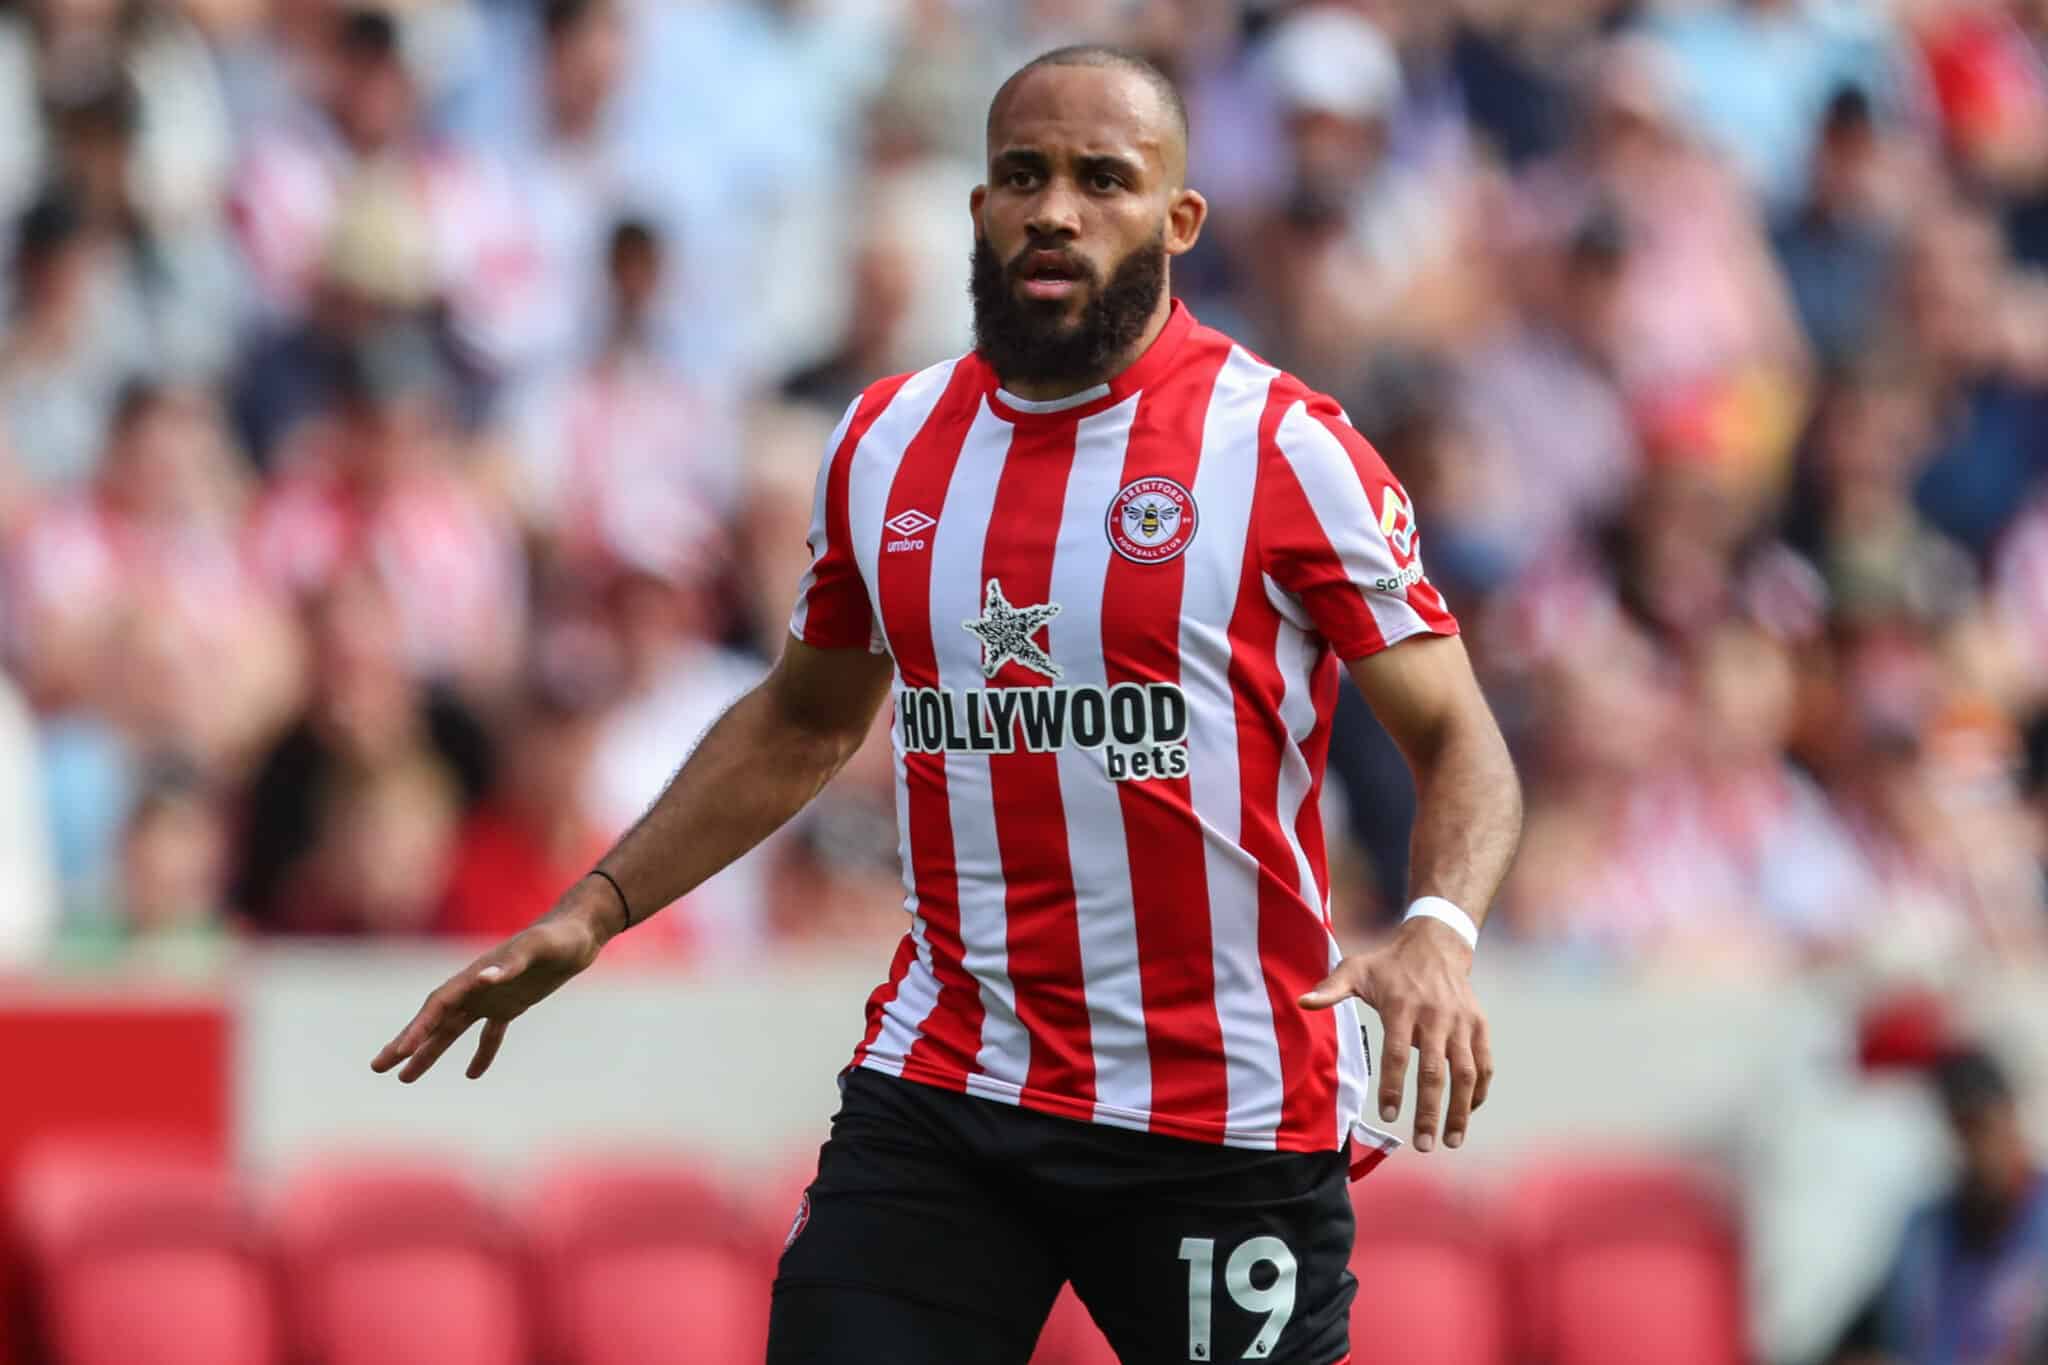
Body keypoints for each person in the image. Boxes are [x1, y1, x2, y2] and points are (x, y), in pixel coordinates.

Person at [371, 46, 1523, 1365]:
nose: (1056, 209)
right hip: (953, 1085)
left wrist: (1439, 929)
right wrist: (593, 910)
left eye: (1105, 179)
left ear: (1179, 221)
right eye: (1023, 176)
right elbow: (801, 722)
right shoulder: (886, 443)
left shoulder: (1284, 451)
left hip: (1221, 1112)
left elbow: (1460, 742)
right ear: (977, 208)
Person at [1830, 1046, 2048, 1365]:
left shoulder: (2038, 1226)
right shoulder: (1926, 1233)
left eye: (1978, 1126)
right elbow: (1860, 1339)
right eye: (1955, 1129)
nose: (1972, 1149)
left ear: (2010, 1117)